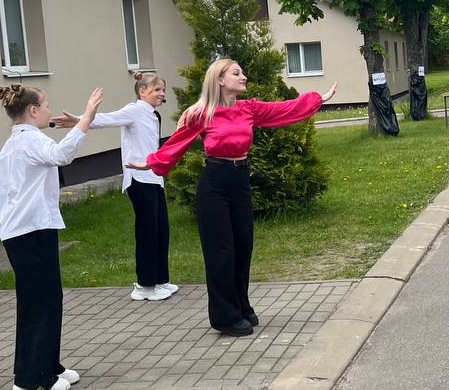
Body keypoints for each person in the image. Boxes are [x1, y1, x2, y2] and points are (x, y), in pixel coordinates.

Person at [131, 59, 335, 337]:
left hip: (240, 181)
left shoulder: (248, 108)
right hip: (214, 183)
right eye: (236, 73)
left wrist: (315, 100)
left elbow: (282, 110)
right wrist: (152, 162)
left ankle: (241, 306)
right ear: (219, 80)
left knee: (242, 246)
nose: (244, 77)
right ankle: (224, 316)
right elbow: (178, 143)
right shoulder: (201, 113)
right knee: (221, 252)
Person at [0, 83, 104, 390]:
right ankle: (32, 381)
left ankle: (47, 365)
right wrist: (86, 118)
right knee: (42, 302)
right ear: (33, 110)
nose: (49, 110)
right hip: (31, 232)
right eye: (45, 105)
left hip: (24, 233)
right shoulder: (31, 139)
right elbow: (61, 155)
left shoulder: (12, 144)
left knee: (42, 300)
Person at [81, 72, 176, 301]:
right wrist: (80, 119)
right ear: (142, 92)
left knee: (161, 230)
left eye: (162, 90)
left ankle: (160, 280)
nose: (161, 94)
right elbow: (105, 119)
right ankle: (144, 286)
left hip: (153, 178)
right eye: (156, 90)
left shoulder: (152, 115)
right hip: (139, 180)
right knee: (147, 233)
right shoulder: (134, 110)